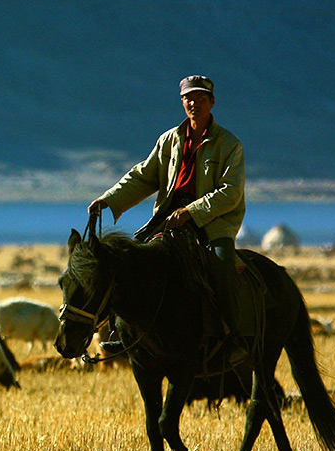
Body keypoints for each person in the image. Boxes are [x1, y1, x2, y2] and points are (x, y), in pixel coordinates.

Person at [87, 74, 248, 365]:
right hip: (168, 221)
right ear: (182, 102)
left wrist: (192, 212)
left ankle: (232, 338)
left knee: (222, 264)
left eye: (200, 98)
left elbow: (231, 193)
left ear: (212, 102)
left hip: (212, 224)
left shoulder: (229, 144)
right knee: (124, 259)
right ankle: (117, 332)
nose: (194, 103)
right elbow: (142, 176)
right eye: (189, 98)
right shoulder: (169, 140)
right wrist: (108, 199)